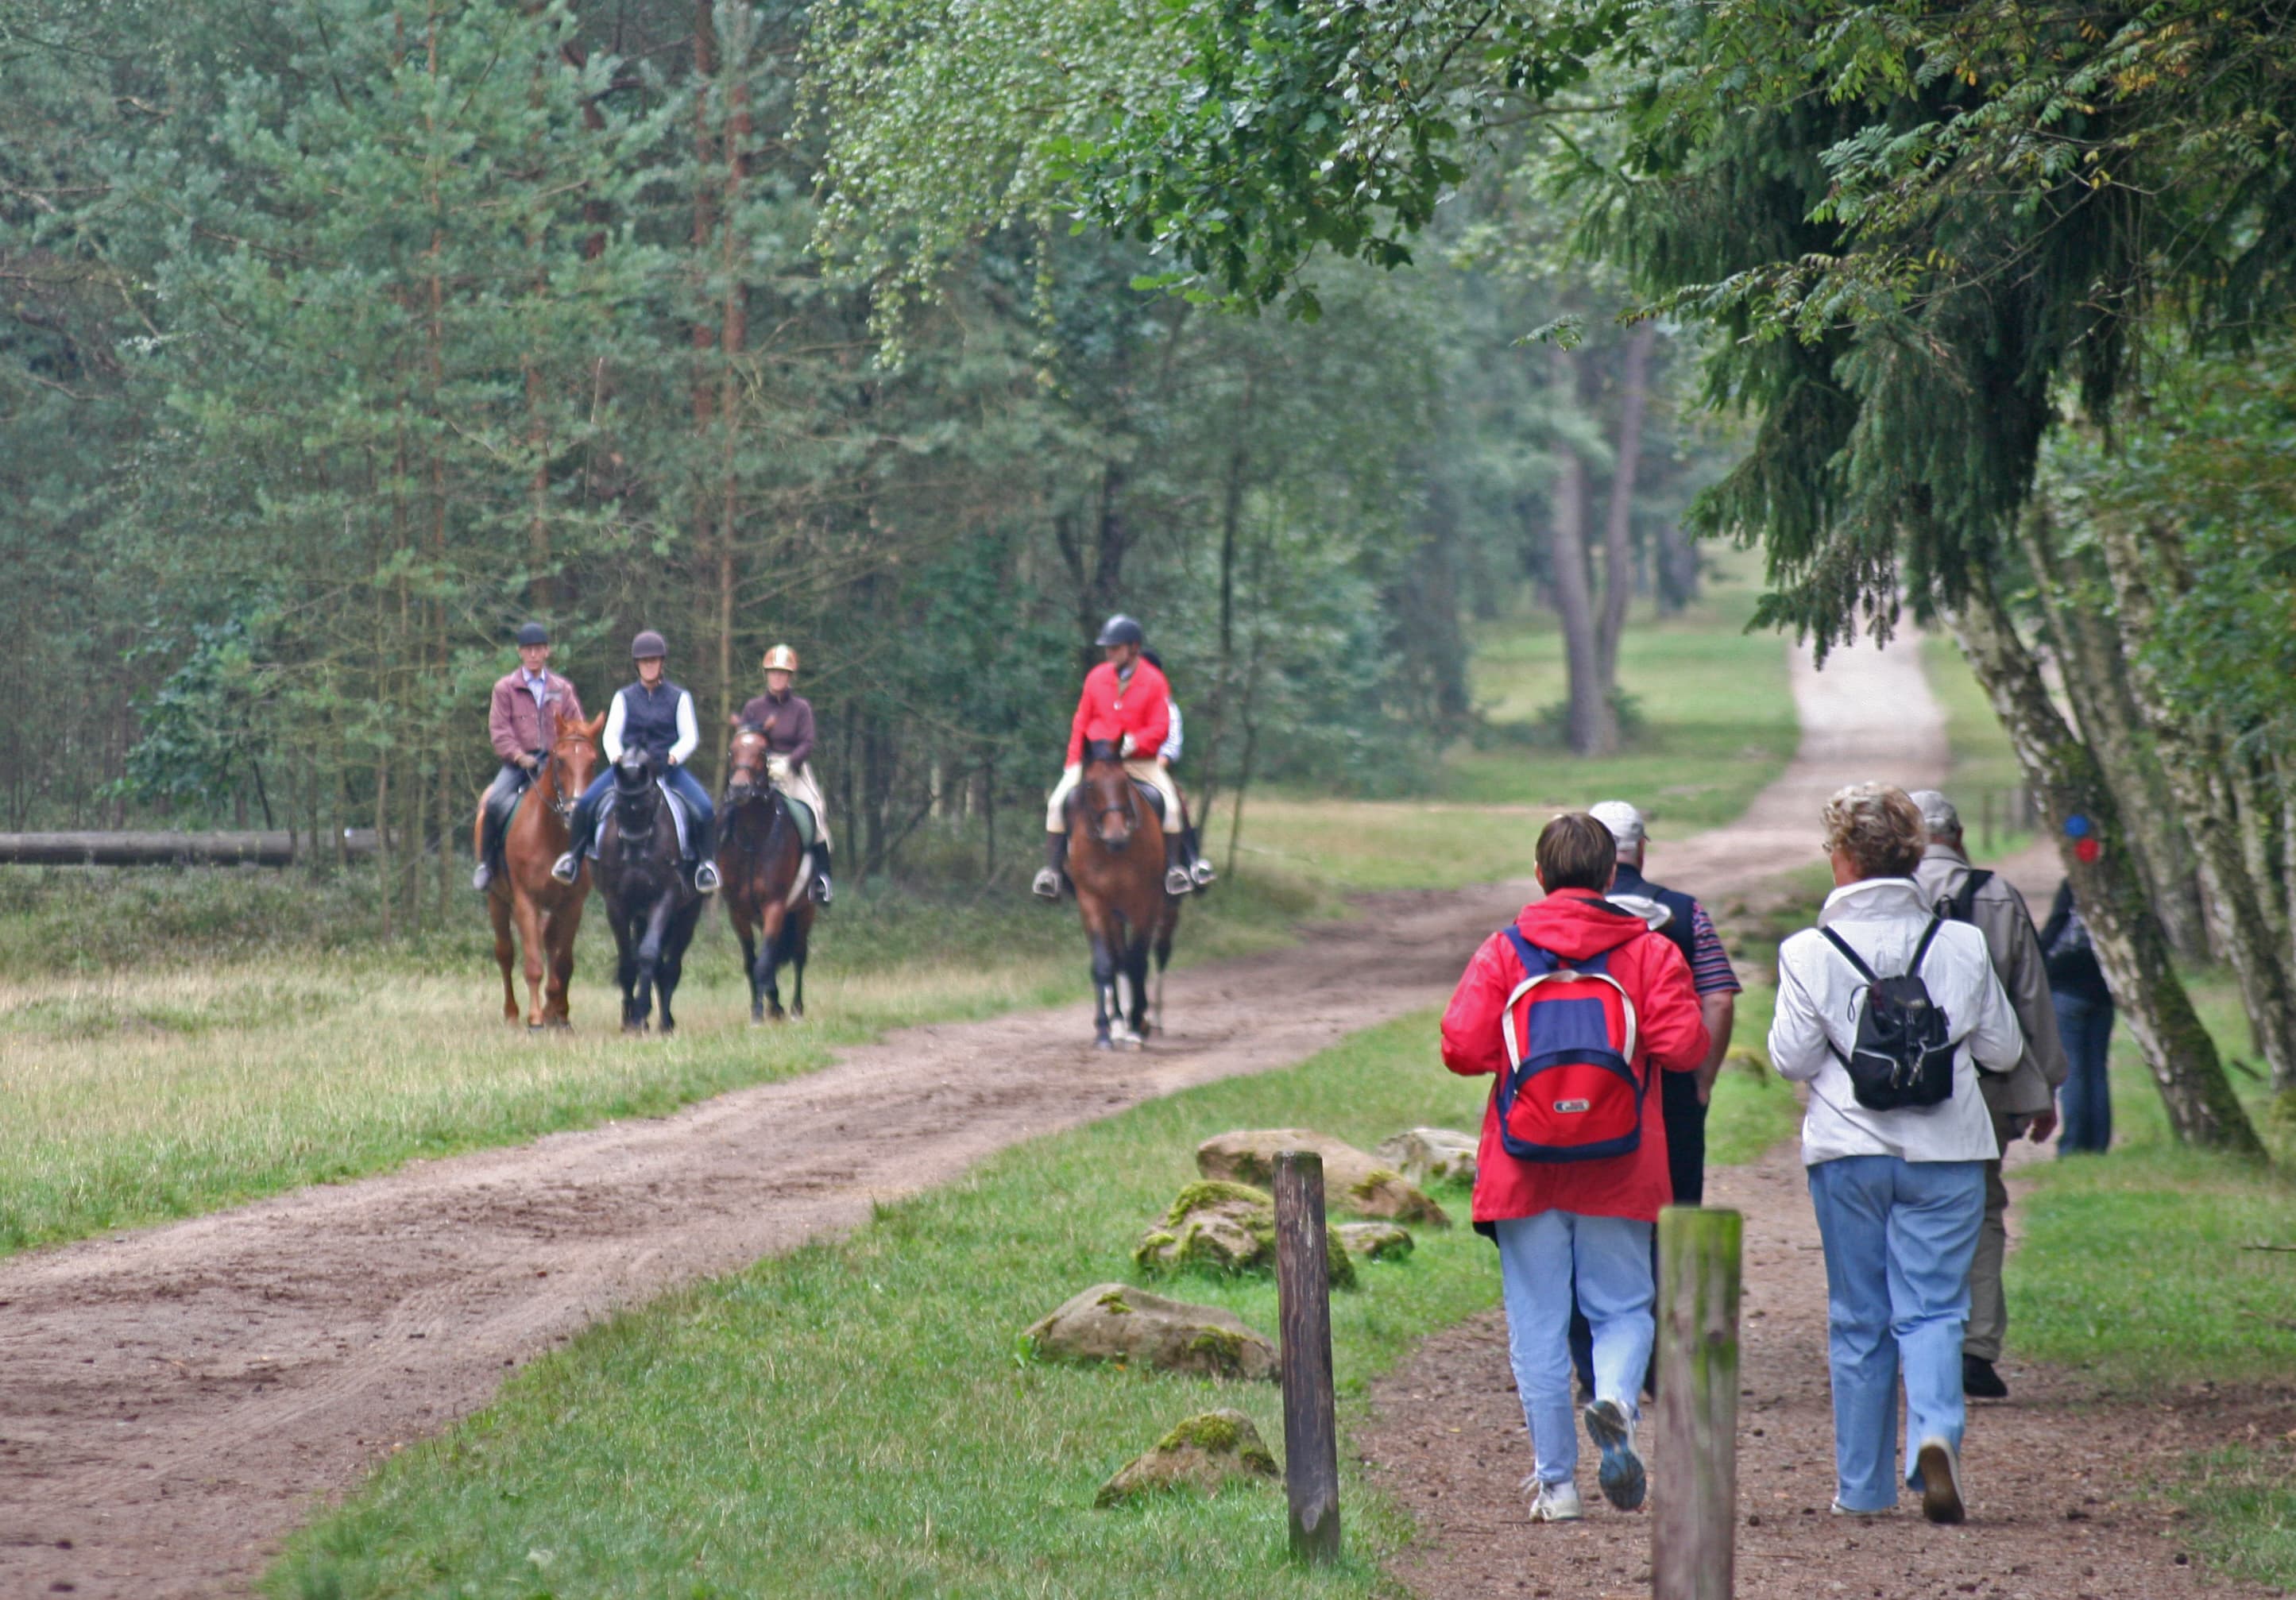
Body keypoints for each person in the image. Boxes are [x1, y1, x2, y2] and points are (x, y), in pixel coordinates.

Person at [1440, 813, 1710, 1523]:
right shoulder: (1649, 951)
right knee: (1622, 1306)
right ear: (1608, 877)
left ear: (1539, 875)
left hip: (1522, 1164)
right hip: (1622, 1161)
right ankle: (1617, 1398)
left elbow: (1462, 1050)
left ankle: (1556, 1487)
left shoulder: (1505, 951)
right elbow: (1684, 1049)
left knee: (1537, 1322)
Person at [1770, 783, 2024, 1524]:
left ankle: (1862, 1487)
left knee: (1859, 1317)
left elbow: (1790, 1058)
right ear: (1912, 856)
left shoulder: (1808, 951)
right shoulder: (1963, 944)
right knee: (1937, 1308)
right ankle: (1935, 1436)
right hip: (1949, 1149)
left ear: (1843, 858)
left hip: (1849, 1149)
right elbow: (2003, 1049)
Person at [1566, 799, 1741, 1397]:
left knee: (1584, 1218)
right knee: (1673, 1218)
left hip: (1580, 1097)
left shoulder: (1558, 916)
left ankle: (1593, 1362)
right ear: (1641, 848)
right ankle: (1663, 1356)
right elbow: (1717, 999)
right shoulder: (1686, 915)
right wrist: (1703, 1077)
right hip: (1669, 1093)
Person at [1908, 790, 2068, 1401]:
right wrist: (2043, 1085)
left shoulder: (1884, 894)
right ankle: (1975, 1346)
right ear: (1959, 833)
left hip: (1895, 1089)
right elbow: (2031, 994)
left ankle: (1913, 1337)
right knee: (1978, 1208)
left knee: (1906, 1207)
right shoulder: (1996, 894)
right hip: (1986, 1084)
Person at [1032, 614, 1196, 901]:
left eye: (1115, 648)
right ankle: (1053, 872)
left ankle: (1173, 871)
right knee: (1057, 802)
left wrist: (1136, 744)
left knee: (1170, 806)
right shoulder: (1096, 677)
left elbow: (1160, 727)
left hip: (1139, 761)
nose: (1109, 653)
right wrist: (1074, 760)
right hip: (1097, 761)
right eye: (1107, 648)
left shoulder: (1154, 681)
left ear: (1133, 648)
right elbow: (1082, 720)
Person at [551, 630, 719, 894]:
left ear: (662, 663)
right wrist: (618, 758)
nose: (649, 665)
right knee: (585, 804)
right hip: (628, 771)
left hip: (667, 768)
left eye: (654, 660)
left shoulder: (680, 697)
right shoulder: (624, 697)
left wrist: (674, 756)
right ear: (637, 664)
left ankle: (706, 866)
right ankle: (572, 859)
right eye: (644, 661)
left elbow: (690, 736)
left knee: (706, 809)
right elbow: (611, 736)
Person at [473, 622, 586, 893]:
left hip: (556, 762)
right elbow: (499, 730)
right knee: (495, 801)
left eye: (539, 649)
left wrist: (564, 753)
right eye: (528, 650)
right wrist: (518, 756)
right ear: (520, 653)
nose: (534, 654)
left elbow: (577, 726)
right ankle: (488, 864)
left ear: (547, 652)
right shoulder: (505, 688)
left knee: (582, 804)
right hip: (519, 764)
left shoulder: (562, 688)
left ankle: (582, 861)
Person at [734, 644, 834, 906]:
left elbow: (807, 742)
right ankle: (721, 869)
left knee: (816, 812)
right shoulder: (753, 707)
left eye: (783, 673)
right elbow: (743, 738)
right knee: (730, 808)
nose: (778, 677)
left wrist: (790, 762)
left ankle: (823, 879)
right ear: (767, 675)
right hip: (757, 769)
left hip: (793, 770)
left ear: (790, 677)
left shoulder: (801, 708)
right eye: (773, 673)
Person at [2039, 879, 2115, 1154]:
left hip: (2067, 988)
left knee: (2073, 1070)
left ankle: (2073, 1145)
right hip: (2104, 990)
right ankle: (2098, 1143)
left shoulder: (2074, 882)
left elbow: (2056, 928)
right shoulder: (2118, 887)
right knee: (2097, 1069)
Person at [1140, 647, 1216, 889]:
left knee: (1175, 803)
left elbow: (1172, 745)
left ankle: (1184, 864)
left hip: (1154, 766)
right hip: (1116, 767)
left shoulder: (1168, 707)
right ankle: (1063, 864)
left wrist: (1160, 764)